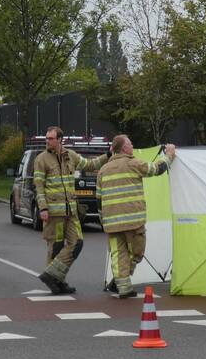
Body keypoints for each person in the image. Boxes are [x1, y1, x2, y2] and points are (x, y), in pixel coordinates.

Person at [33, 126, 109, 295]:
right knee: (56, 247)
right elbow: (39, 186)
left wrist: (108, 155)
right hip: (54, 214)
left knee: (77, 243)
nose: (47, 141)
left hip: (71, 212)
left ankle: (51, 275)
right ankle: (58, 281)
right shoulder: (41, 159)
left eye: (51, 138)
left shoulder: (71, 155)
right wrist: (43, 208)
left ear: (60, 139)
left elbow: (90, 165)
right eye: (47, 138)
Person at [97, 136, 176, 298]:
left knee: (118, 254)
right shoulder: (133, 163)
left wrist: (102, 220)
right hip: (132, 221)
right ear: (124, 148)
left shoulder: (103, 170)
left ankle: (122, 286)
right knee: (137, 253)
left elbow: (98, 199)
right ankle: (122, 283)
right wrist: (169, 155)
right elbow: (156, 169)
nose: (132, 145)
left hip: (111, 223)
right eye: (130, 143)